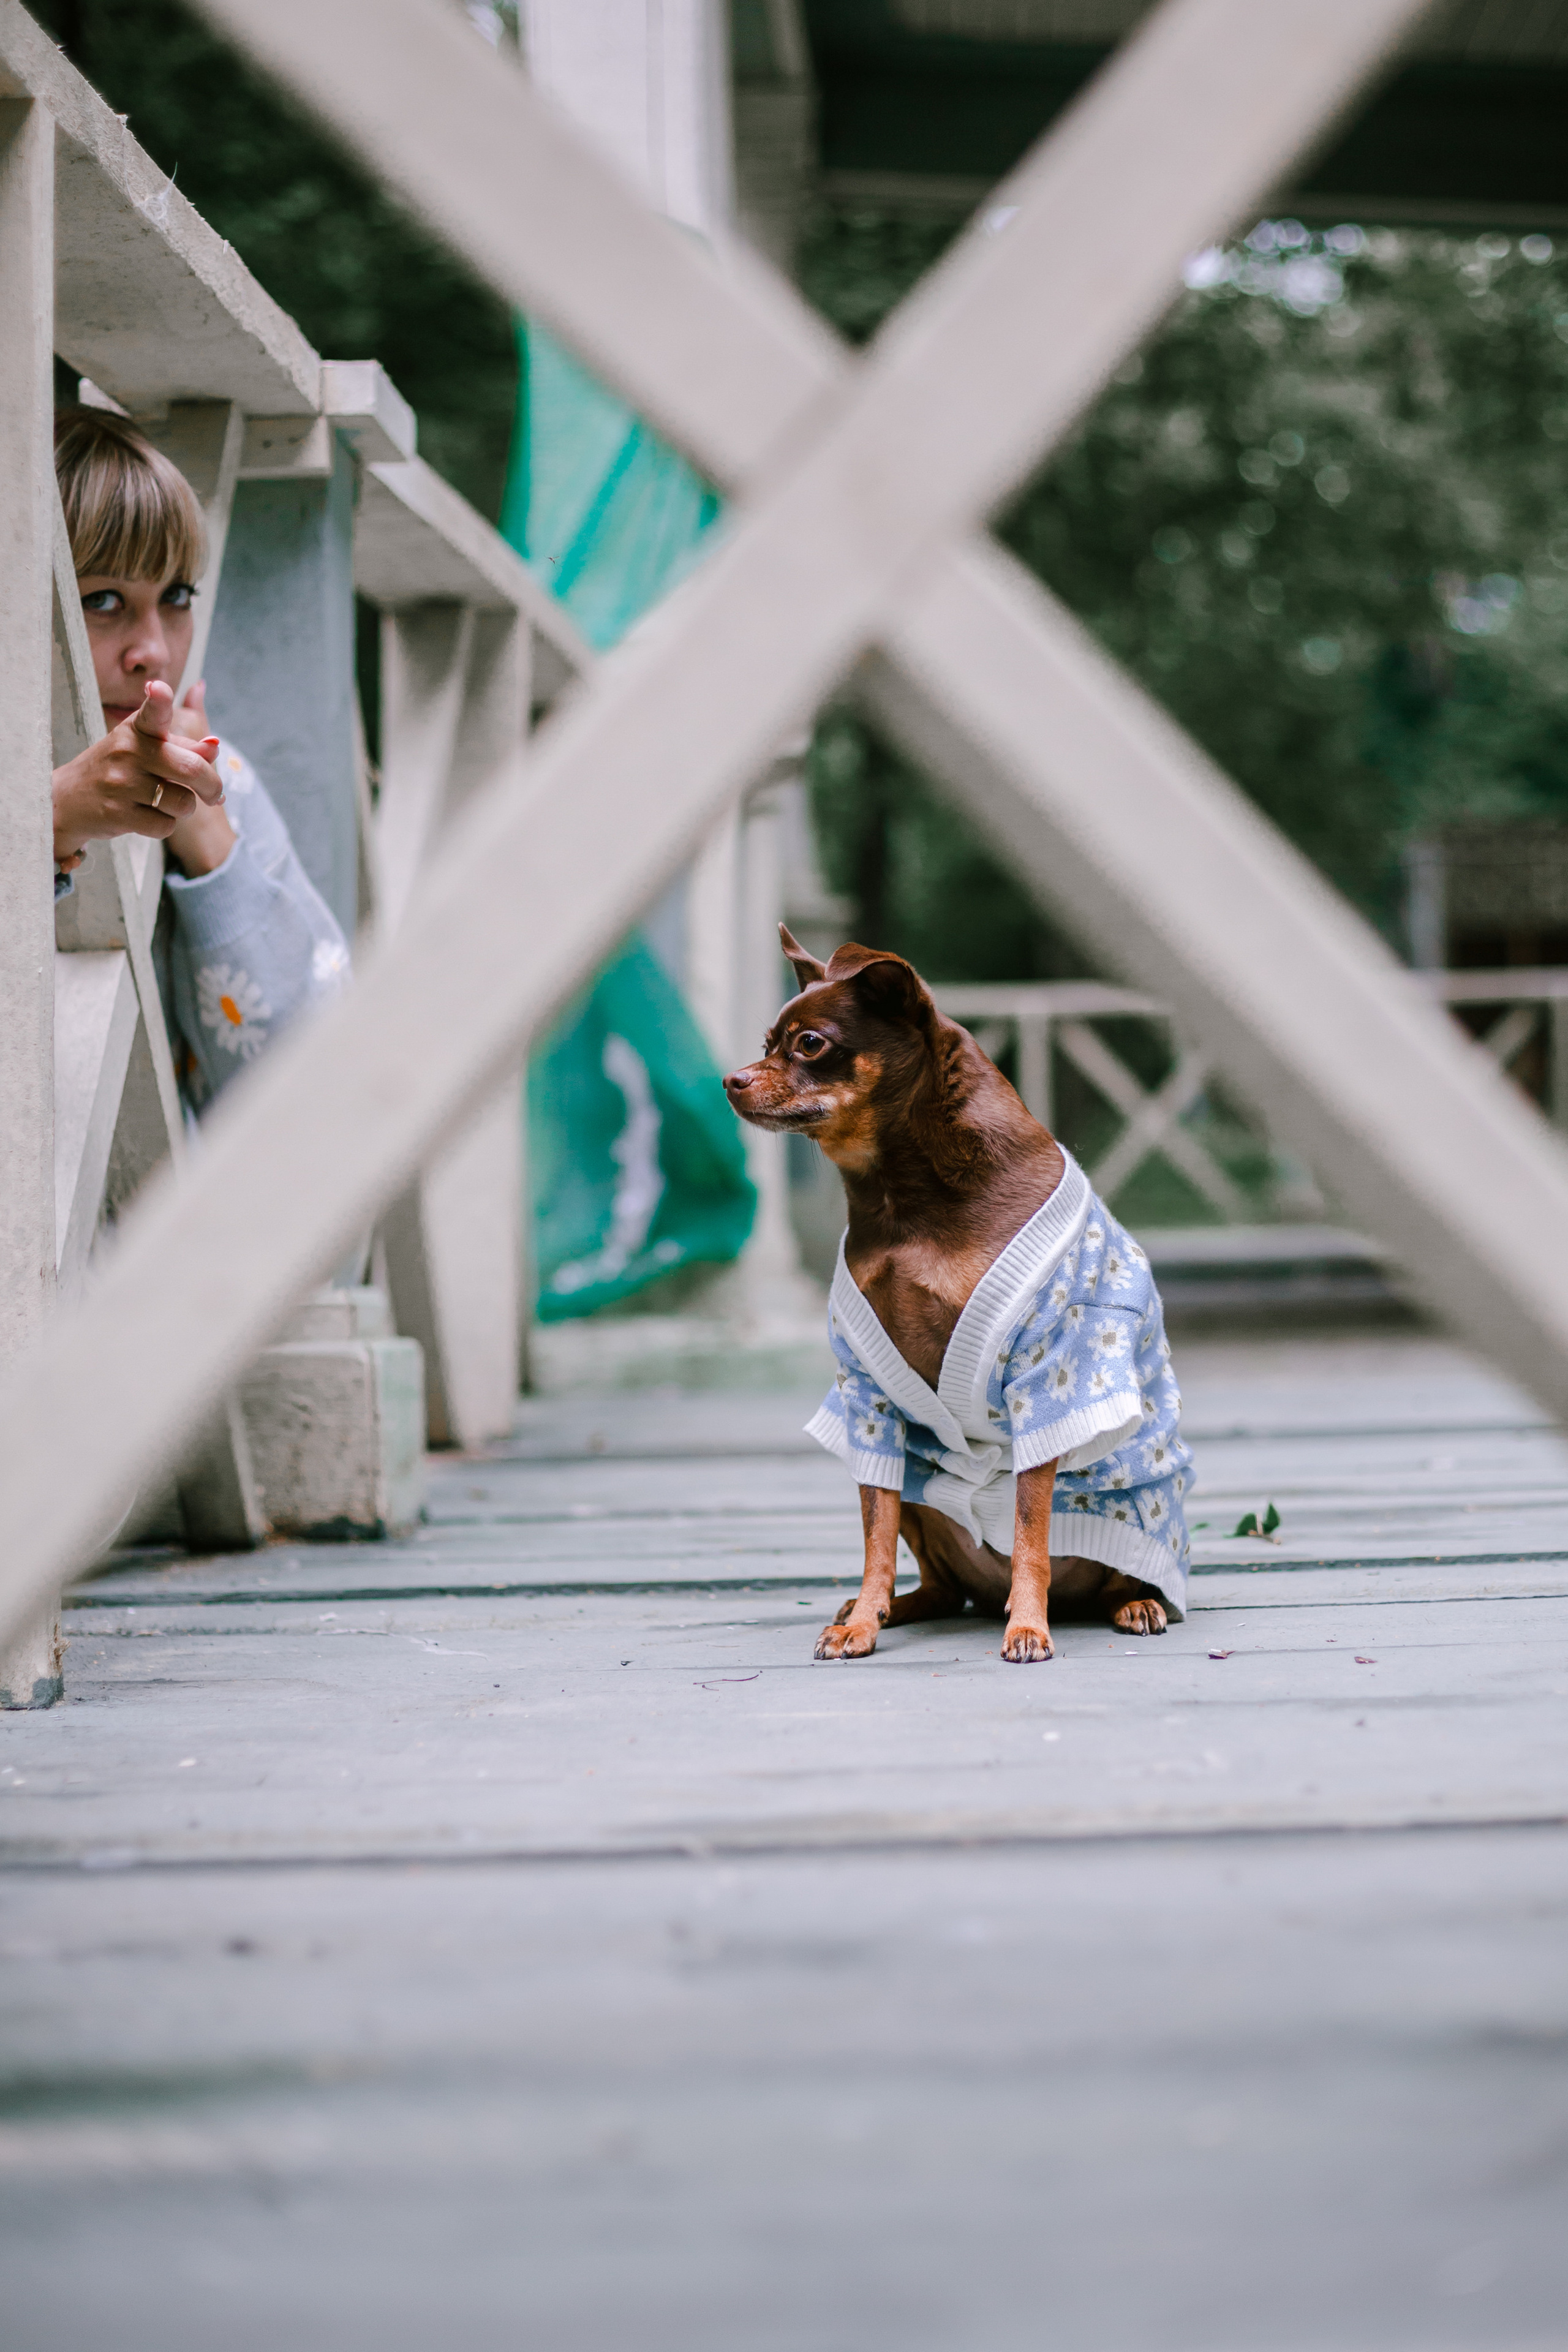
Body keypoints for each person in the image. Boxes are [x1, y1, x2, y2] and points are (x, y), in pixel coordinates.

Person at [50, 406, 350, 1112]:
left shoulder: (216, 780)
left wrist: (209, 842)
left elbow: (320, 1095)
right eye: (103, 600)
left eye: (177, 597)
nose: (153, 650)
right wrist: (48, 820)